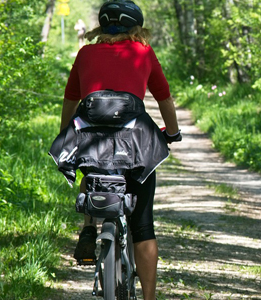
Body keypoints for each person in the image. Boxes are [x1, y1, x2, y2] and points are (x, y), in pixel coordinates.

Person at [56, 1, 181, 299]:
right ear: (136, 28)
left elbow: (71, 101)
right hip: (135, 146)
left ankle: (89, 225)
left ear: (101, 26)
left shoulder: (85, 53)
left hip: (91, 141)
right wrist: (172, 133)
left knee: (91, 168)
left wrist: (66, 135)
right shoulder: (143, 52)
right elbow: (163, 98)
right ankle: (149, 297)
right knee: (143, 225)